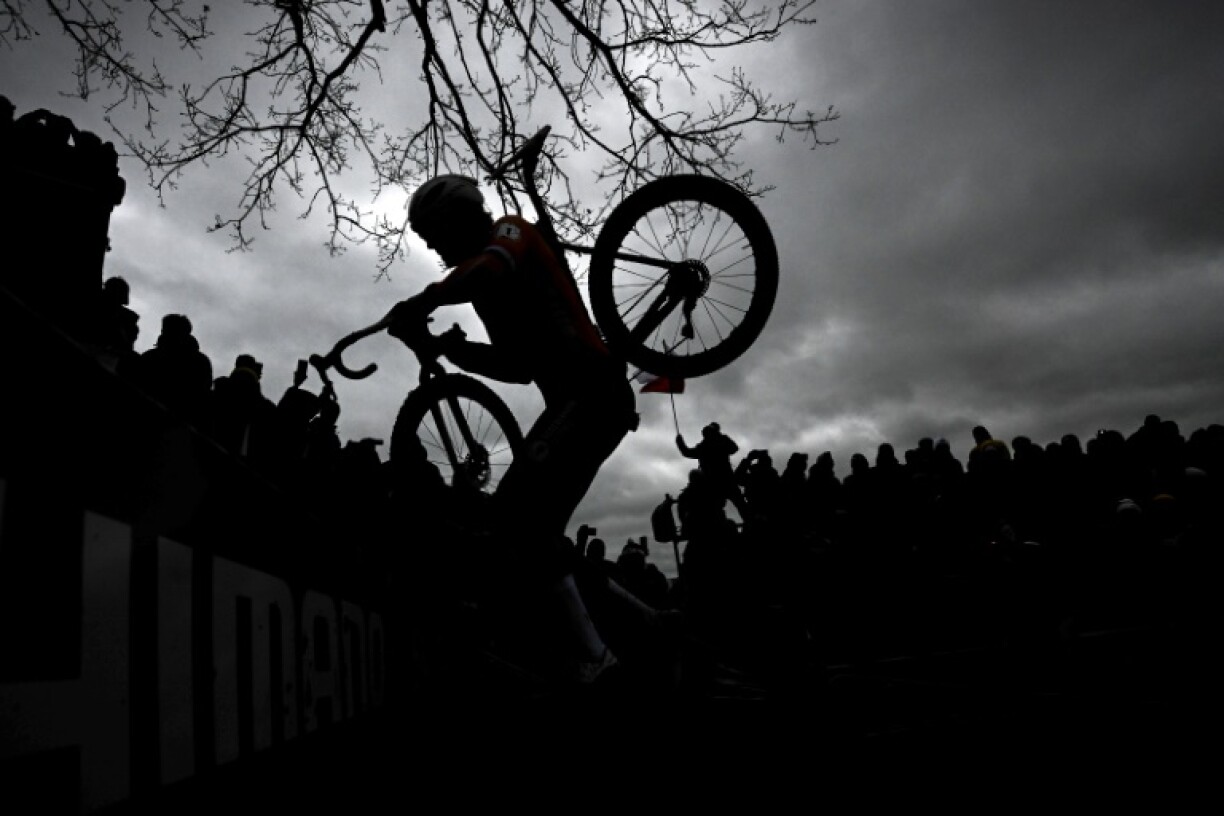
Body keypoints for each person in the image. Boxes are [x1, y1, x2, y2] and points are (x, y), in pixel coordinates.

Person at [385, 173, 642, 686]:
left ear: (457, 214)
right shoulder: (484, 283)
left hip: (591, 393)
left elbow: (486, 269)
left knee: (517, 516)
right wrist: (453, 351)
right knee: (536, 531)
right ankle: (645, 621)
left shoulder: (510, 233)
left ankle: (594, 657)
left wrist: (426, 300)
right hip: (580, 401)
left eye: (433, 232)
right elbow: (517, 365)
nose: (434, 246)